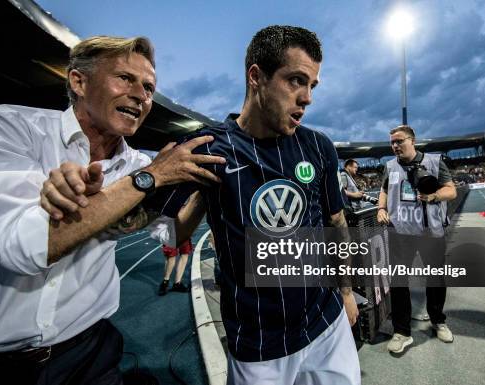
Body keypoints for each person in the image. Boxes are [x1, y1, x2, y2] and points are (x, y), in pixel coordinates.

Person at [0, 36, 223, 384]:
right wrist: (149, 178)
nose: (142, 95)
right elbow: (23, 250)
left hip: (87, 350)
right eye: (125, 78)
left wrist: (202, 190)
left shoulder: (137, 164)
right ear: (79, 81)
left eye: (149, 87)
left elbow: (173, 234)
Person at [43, 26, 360, 385]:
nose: (307, 98)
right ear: (256, 77)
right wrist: (85, 197)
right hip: (259, 346)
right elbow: (158, 230)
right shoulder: (206, 149)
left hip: (327, 322)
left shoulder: (317, 146)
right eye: (296, 81)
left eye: (312, 86)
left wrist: (346, 292)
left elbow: (335, 222)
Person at [377, 124, 456, 354]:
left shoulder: (433, 161)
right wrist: (381, 208)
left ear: (412, 140)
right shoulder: (390, 166)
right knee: (399, 283)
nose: (395, 146)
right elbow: (384, 189)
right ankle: (402, 332)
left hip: (430, 232)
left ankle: (438, 321)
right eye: (392, 142)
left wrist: (433, 196)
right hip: (400, 233)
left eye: (399, 141)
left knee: (435, 280)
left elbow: (451, 190)